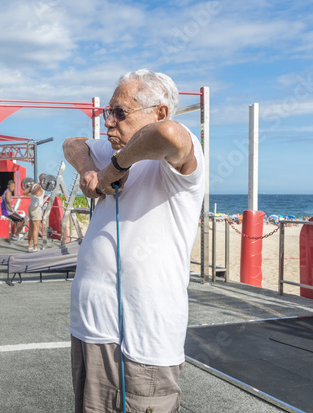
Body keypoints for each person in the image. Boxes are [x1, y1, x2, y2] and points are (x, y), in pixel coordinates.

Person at [63, 69, 205, 412]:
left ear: (158, 111)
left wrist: (115, 167)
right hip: (91, 330)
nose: (109, 123)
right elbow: (73, 144)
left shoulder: (177, 154)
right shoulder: (112, 146)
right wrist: (87, 169)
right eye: (107, 113)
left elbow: (169, 135)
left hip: (142, 340)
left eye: (120, 113)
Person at [23, 173, 45, 252]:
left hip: (31, 207)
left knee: (31, 228)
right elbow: (32, 193)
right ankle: (35, 248)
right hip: (36, 209)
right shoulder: (38, 186)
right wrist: (37, 187)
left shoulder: (35, 185)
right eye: (44, 179)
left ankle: (30, 247)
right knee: (36, 229)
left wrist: (31, 186)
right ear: (42, 179)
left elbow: (25, 192)